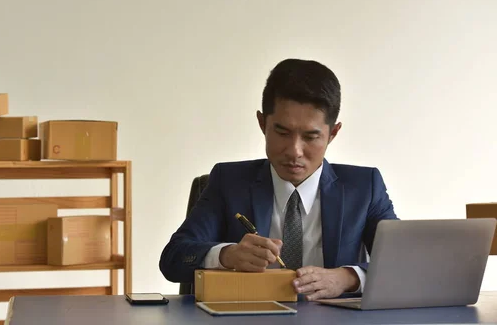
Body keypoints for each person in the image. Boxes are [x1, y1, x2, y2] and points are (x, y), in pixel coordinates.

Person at [159, 58, 398, 301]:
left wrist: (347, 278)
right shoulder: (229, 181)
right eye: (282, 133)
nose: (294, 151)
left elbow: (401, 263)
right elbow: (173, 258)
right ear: (263, 124)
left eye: (311, 137)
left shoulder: (364, 187)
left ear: (332, 133)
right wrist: (227, 255)